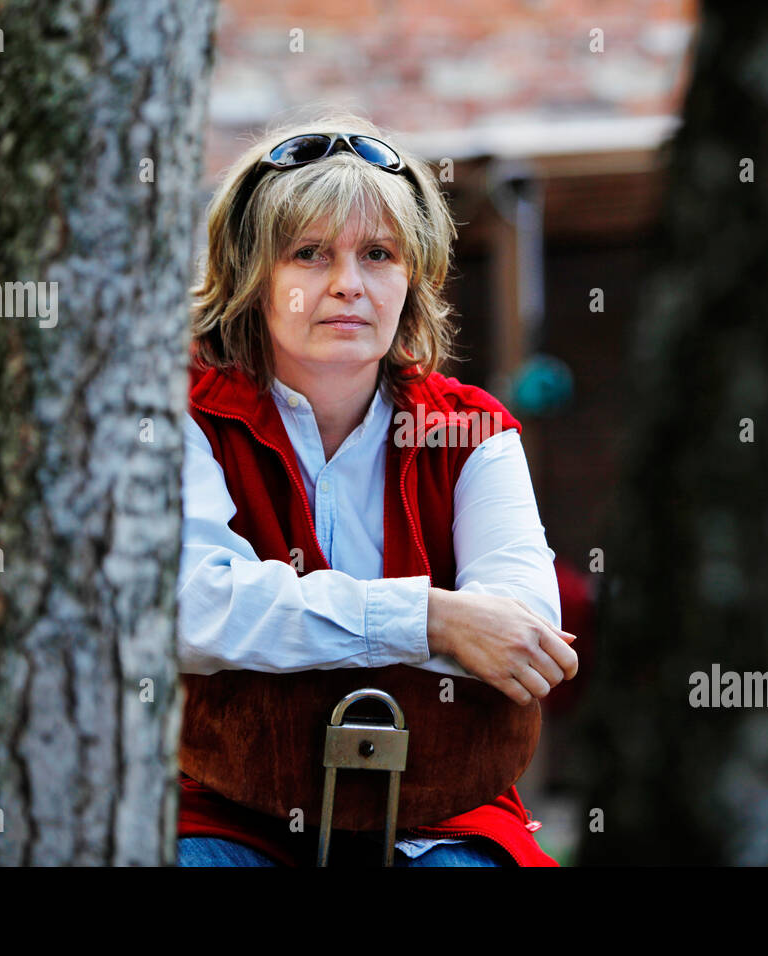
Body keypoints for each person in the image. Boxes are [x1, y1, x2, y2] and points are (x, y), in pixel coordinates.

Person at [176, 111, 578, 867]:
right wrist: (433, 618)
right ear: (249, 275)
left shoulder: (475, 432)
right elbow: (192, 607)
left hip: (442, 812)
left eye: (379, 254)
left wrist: (273, 625)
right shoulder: (181, 417)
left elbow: (523, 632)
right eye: (308, 254)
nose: (347, 286)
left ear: (412, 278)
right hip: (224, 806)